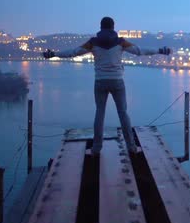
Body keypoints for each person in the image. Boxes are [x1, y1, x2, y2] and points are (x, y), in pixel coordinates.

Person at [42, 17, 171, 155]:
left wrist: (53, 54)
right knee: (123, 113)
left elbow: (73, 52)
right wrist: (160, 50)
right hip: (117, 82)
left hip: (100, 82)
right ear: (113, 27)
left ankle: (96, 148)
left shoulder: (93, 42)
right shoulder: (120, 42)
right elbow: (139, 51)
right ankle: (132, 147)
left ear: (101, 27)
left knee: (100, 113)